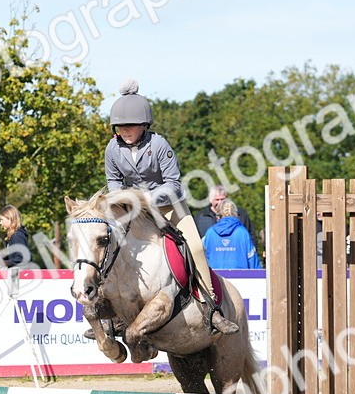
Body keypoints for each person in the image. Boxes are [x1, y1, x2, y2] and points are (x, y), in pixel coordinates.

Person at [102, 79, 238, 336]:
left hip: (167, 206)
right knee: (108, 243)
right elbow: (113, 182)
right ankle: (111, 311)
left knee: (195, 247)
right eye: (120, 126)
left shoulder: (159, 145)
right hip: (135, 211)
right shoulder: (112, 148)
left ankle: (212, 308)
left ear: (144, 125)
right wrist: (124, 201)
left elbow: (174, 185)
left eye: (130, 126)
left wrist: (146, 198)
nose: (125, 130)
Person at [202, 200, 261, 270]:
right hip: (240, 278)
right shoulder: (243, 232)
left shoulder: (210, 233)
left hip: (215, 278)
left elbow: (201, 258)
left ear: (218, 215)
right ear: (235, 214)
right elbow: (253, 261)